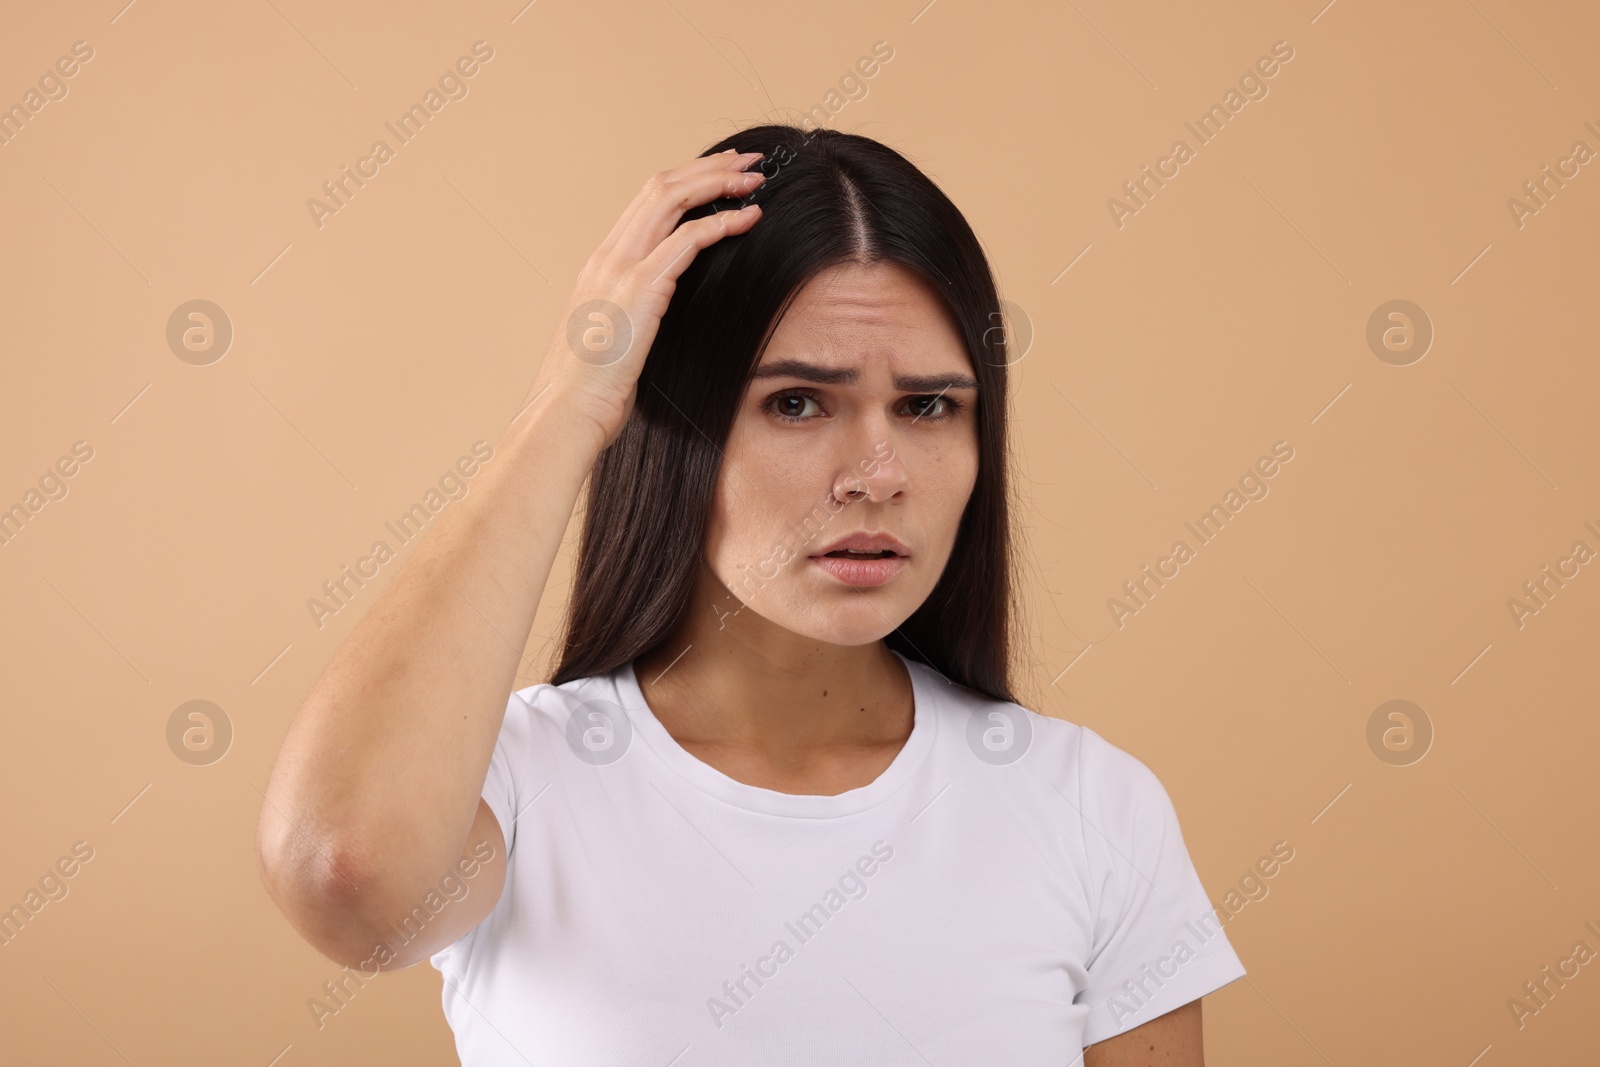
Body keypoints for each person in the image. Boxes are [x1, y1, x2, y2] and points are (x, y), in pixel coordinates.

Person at [257, 124, 1246, 1065]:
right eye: (797, 402)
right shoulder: (515, 788)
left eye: (928, 405)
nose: (876, 471)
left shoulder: (1088, 807)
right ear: (669, 420)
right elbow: (346, 876)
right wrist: (569, 403)